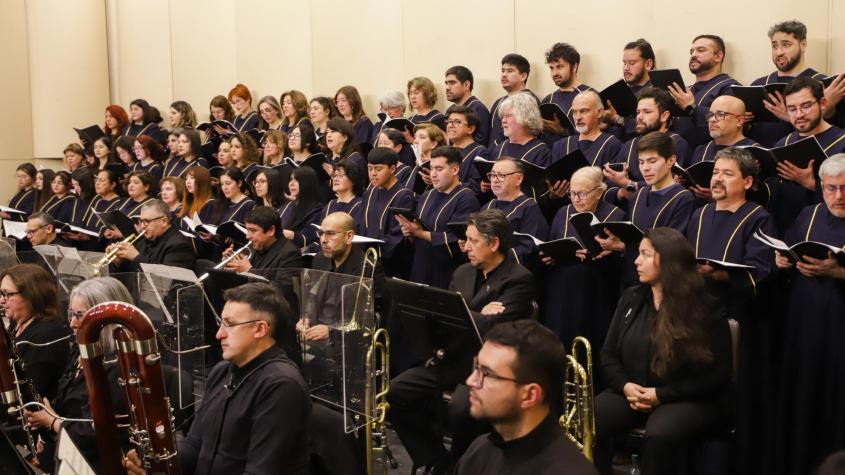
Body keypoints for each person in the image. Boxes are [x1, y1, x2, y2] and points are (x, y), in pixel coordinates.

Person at [389, 209, 536, 472]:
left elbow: (497, 329)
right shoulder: (462, 272)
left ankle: (464, 464)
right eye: (466, 239)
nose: (465, 246)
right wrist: (478, 313)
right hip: (453, 356)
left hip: (487, 367)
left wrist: (465, 312)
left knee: (462, 408)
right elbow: (444, 314)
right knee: (396, 392)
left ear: (494, 244)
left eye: (473, 241)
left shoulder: (518, 278)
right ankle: (437, 460)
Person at [124, 282, 309, 475]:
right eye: (221, 323)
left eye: (229, 324)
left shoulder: (281, 386)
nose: (219, 334)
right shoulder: (222, 371)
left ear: (260, 329)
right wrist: (155, 467)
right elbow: (195, 444)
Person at [595, 228, 732, 475]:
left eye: (646, 255)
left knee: (660, 435)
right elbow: (609, 354)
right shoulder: (631, 297)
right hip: (631, 391)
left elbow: (718, 374)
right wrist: (625, 386)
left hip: (684, 397)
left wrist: (661, 394)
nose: (636, 261)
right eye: (638, 254)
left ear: (669, 261)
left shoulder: (705, 306)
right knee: (589, 418)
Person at [773, 154, 845, 475]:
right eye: (830, 188)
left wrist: (839, 273)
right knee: (803, 400)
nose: (838, 197)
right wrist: (783, 261)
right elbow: (789, 249)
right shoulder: (809, 214)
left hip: (841, 326)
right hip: (804, 321)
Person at [455, 320, 598, 475]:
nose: (471, 381)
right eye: (476, 367)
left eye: (487, 374)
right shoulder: (479, 451)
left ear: (530, 395)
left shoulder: (569, 470)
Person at [24, 277, 130, 473]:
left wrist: (52, 422)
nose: (72, 323)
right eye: (71, 314)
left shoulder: (118, 365)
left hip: (99, 462)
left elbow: (98, 432)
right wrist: (45, 432)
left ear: (105, 319)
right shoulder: (80, 350)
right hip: (68, 447)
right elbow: (66, 404)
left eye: (80, 316)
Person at [541, 166, 624, 356]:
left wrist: (594, 257)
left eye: (582, 194)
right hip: (559, 291)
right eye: (572, 193)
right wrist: (550, 255)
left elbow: (617, 265)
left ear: (599, 192)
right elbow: (552, 242)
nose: (576, 199)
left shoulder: (615, 216)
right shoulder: (563, 212)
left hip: (592, 293)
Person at [596, 132, 695, 285]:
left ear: (671, 161)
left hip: (663, 283)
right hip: (631, 279)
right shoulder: (638, 195)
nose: (645, 168)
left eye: (652, 161)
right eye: (641, 162)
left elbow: (672, 250)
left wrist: (623, 247)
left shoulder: (683, 198)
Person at [770, 77, 845, 233]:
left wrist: (812, 184)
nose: (799, 115)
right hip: (786, 230)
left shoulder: (841, 142)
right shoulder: (782, 144)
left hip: (829, 232)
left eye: (806, 106)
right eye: (792, 109)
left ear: (822, 104)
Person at [399, 146, 480, 288]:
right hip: (420, 266)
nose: (433, 174)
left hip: (447, 271)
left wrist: (420, 233)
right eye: (432, 168)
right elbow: (418, 230)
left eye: (439, 169)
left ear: (455, 170)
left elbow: (458, 239)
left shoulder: (466, 197)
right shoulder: (426, 195)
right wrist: (410, 233)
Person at [749, 20, 830, 147]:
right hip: (760, 159)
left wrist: (789, 116)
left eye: (786, 45)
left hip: (800, 158)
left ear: (803, 45)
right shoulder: (758, 84)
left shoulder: (821, 83)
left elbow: (829, 132)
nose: (779, 52)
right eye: (774, 46)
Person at [604, 87, 691, 199]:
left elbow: (671, 184)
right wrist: (620, 193)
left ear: (664, 116)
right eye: (638, 112)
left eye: (647, 112)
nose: (639, 117)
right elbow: (608, 185)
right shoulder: (629, 145)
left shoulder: (676, 143)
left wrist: (629, 184)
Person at [0, 264, 71, 401]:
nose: (2, 300)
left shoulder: (46, 333)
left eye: (7, 294)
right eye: (1, 293)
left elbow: (31, 391)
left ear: (32, 294)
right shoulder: (17, 323)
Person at [668, 35, 742, 148]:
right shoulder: (686, 90)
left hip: (708, 154)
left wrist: (691, 107)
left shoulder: (730, 87)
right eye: (691, 52)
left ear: (718, 56)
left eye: (701, 50)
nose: (693, 55)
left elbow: (725, 122)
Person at [361, 147, 417, 278]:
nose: (373, 173)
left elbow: (398, 236)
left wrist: (374, 251)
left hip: (391, 267)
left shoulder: (404, 196)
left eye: (378, 169)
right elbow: (361, 226)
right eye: (370, 168)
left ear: (392, 169)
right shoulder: (369, 193)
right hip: (367, 262)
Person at [482, 157, 549, 265]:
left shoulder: (529, 208)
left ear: (519, 178)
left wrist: (495, 257)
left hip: (511, 271)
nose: (495, 179)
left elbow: (530, 249)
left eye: (501, 175)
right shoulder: (487, 206)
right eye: (493, 175)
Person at [112, 199, 196, 271]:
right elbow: (129, 273)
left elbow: (168, 278)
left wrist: (136, 257)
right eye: (141, 221)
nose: (142, 226)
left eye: (146, 221)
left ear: (164, 221)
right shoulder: (142, 241)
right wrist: (118, 262)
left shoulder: (179, 244)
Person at [552, 90, 623, 168]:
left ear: (599, 112)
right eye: (575, 112)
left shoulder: (612, 145)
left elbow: (613, 178)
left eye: (584, 111)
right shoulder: (560, 146)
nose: (578, 117)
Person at [603, 39, 657, 142]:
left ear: (648, 64)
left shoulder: (658, 91)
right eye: (624, 63)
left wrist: (617, 119)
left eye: (632, 63)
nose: (626, 68)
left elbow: (651, 125)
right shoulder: (621, 90)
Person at [223, 206, 303, 274]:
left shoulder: (290, 254)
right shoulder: (252, 247)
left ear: (271, 230)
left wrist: (249, 271)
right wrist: (231, 265)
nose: (247, 236)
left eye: (253, 230)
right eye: (247, 230)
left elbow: (281, 288)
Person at [541, 42, 592, 142]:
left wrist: (563, 132)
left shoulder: (590, 96)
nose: (554, 73)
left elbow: (595, 136)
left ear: (574, 67)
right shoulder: (548, 99)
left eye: (559, 67)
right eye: (551, 68)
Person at [489, 54, 539, 148]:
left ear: (523, 76)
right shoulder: (498, 102)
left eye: (510, 71)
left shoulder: (530, 101)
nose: (504, 74)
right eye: (503, 71)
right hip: (494, 155)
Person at [279, 166, 323, 249]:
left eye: (296, 180)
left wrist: (290, 234)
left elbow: (308, 239)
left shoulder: (317, 210)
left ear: (307, 182)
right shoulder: (288, 205)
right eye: (290, 179)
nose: (291, 183)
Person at [445, 105, 485, 195]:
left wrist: (448, 184)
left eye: (457, 122)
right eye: (449, 121)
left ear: (470, 129)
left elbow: (476, 186)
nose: (450, 125)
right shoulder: (444, 150)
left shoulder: (479, 152)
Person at [445, 65, 491, 145]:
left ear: (466, 85)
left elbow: (480, 143)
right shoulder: (450, 110)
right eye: (446, 83)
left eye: (452, 83)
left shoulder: (478, 108)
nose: (447, 87)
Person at [322, 159, 364, 224]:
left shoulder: (359, 206)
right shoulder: (330, 205)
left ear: (353, 179)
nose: (335, 179)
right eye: (334, 176)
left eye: (340, 176)